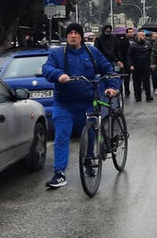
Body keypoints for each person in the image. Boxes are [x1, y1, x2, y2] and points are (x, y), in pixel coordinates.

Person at [41, 23, 120, 189]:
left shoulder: (92, 53)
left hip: (87, 104)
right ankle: (59, 173)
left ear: (81, 36)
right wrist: (59, 75)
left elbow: (107, 69)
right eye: (70, 33)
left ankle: (89, 161)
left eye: (76, 33)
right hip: (64, 104)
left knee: (91, 134)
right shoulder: (57, 54)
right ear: (66, 36)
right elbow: (46, 68)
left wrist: (111, 86)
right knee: (61, 137)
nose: (73, 36)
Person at [127, 30, 153, 102]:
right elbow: (129, 56)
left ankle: (148, 96)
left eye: (144, 35)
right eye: (142, 35)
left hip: (146, 65)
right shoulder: (133, 45)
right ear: (138, 36)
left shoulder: (148, 43)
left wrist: (152, 63)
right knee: (136, 82)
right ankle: (137, 96)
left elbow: (151, 54)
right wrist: (130, 65)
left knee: (147, 82)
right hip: (136, 66)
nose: (144, 37)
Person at [118, 27, 135, 97]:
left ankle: (131, 91)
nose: (131, 33)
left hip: (133, 60)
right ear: (127, 33)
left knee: (132, 77)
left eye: (132, 32)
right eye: (130, 32)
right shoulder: (123, 40)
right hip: (125, 61)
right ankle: (124, 91)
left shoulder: (135, 40)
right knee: (124, 77)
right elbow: (121, 51)